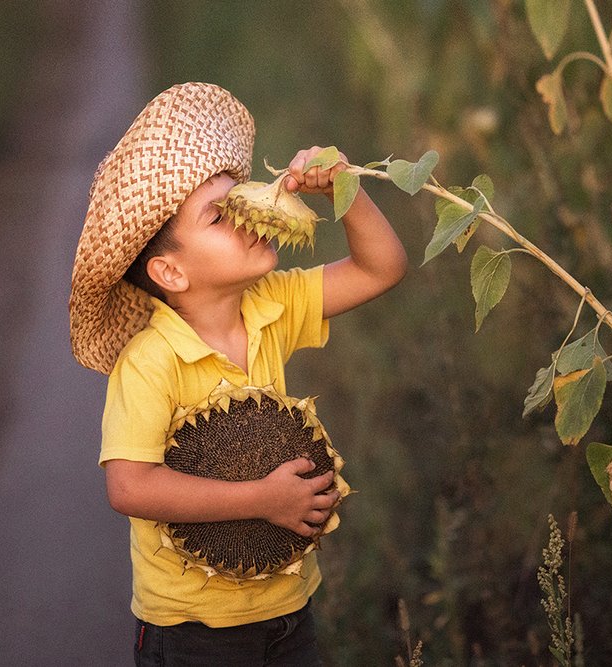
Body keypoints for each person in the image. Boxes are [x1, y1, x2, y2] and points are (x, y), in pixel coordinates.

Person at [69, 82, 407, 666]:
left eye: (242, 198)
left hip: (289, 604)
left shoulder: (270, 305)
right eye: (220, 216)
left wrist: (345, 191)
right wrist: (262, 500)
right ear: (170, 272)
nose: (251, 214)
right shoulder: (151, 361)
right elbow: (129, 487)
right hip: (192, 629)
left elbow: (382, 267)